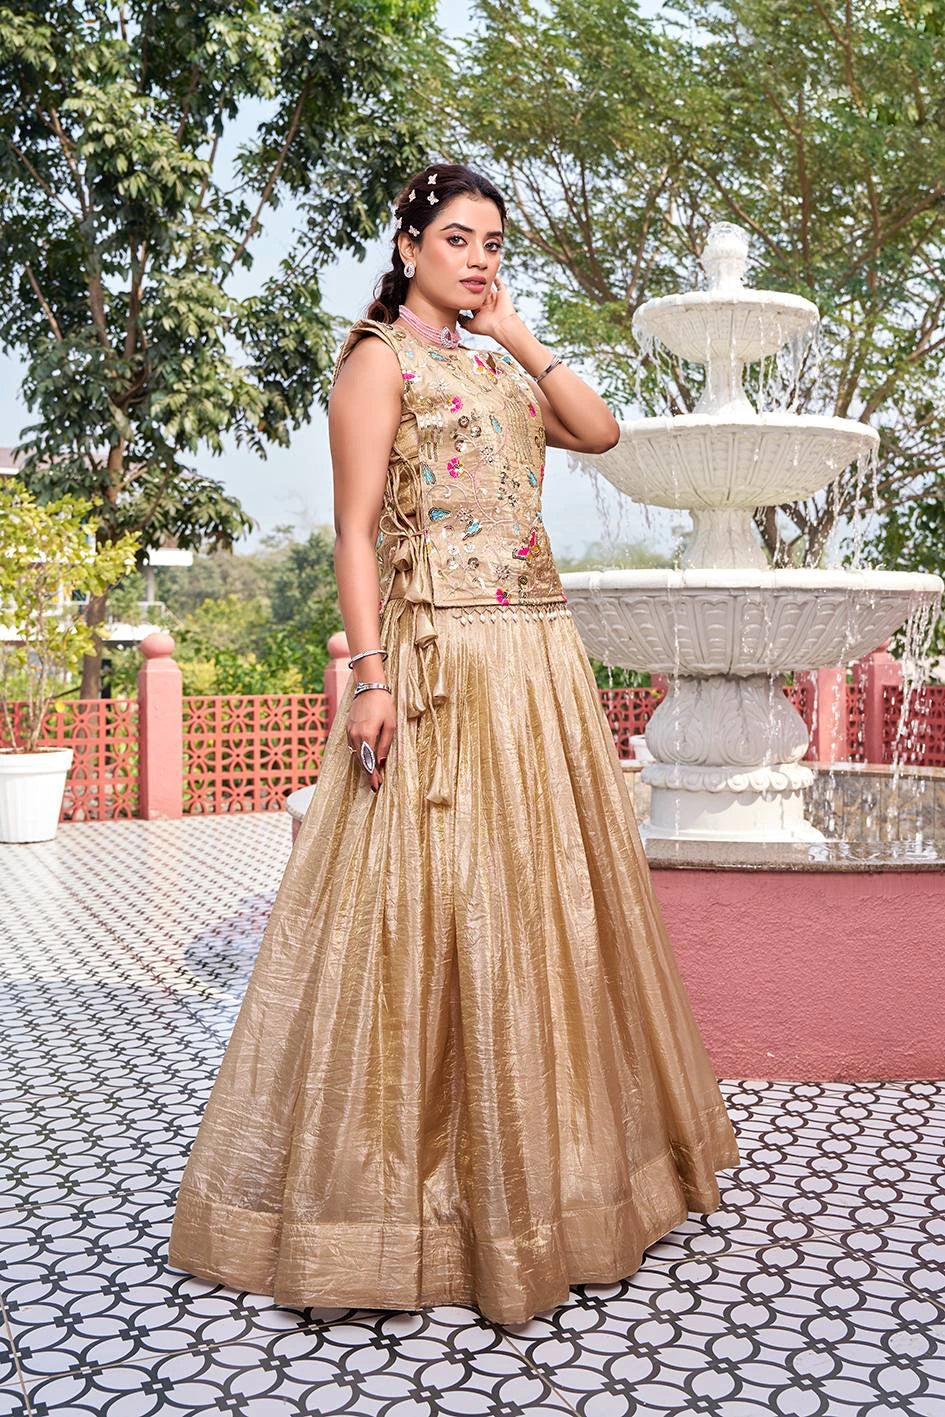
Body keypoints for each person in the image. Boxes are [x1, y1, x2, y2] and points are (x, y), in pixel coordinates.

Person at [168, 160, 740, 1326]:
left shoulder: (489, 362)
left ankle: (549, 1184)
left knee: (540, 912)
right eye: (460, 238)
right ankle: (400, 1208)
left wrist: (523, 337)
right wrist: (369, 678)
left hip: (538, 662)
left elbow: (603, 428)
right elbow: (353, 531)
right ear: (409, 240)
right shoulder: (380, 358)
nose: (479, 258)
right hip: (443, 666)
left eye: (493, 243)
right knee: (428, 910)